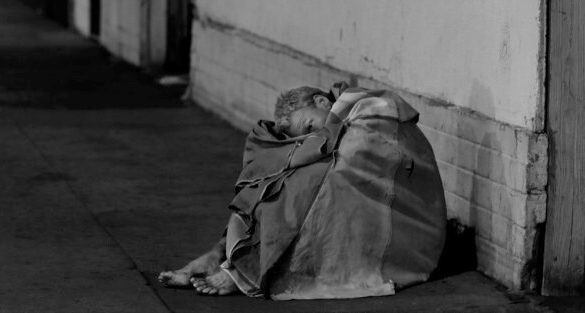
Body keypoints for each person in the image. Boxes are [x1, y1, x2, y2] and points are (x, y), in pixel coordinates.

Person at [159, 82, 447, 299]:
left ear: (322, 101)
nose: (313, 137)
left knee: (299, 187)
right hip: (360, 190)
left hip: (404, 215)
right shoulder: (333, 128)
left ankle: (242, 270)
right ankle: (218, 254)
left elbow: (370, 152)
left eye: (310, 124)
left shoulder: (369, 107)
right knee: (271, 186)